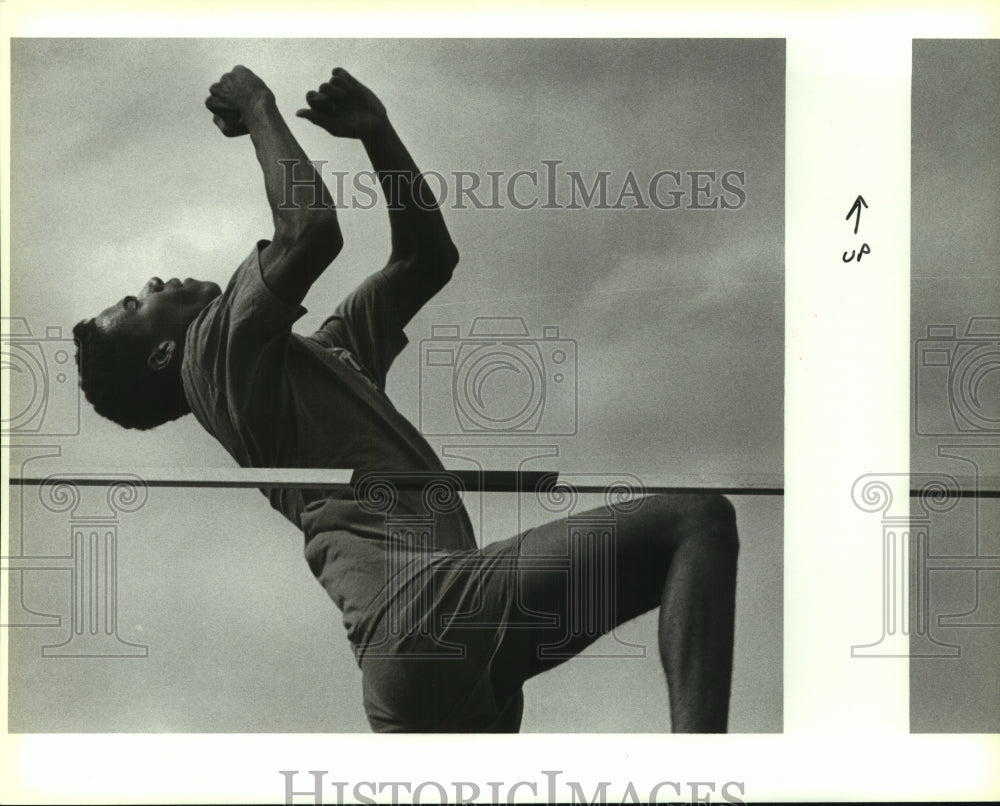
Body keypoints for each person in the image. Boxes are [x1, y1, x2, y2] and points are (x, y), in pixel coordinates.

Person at [73, 65, 739, 732]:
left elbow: (426, 261)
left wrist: (378, 136)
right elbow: (308, 229)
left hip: (426, 659)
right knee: (695, 522)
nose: (154, 278)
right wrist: (256, 105)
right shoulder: (210, 354)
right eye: (137, 300)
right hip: (422, 613)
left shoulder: (314, 360)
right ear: (164, 352)